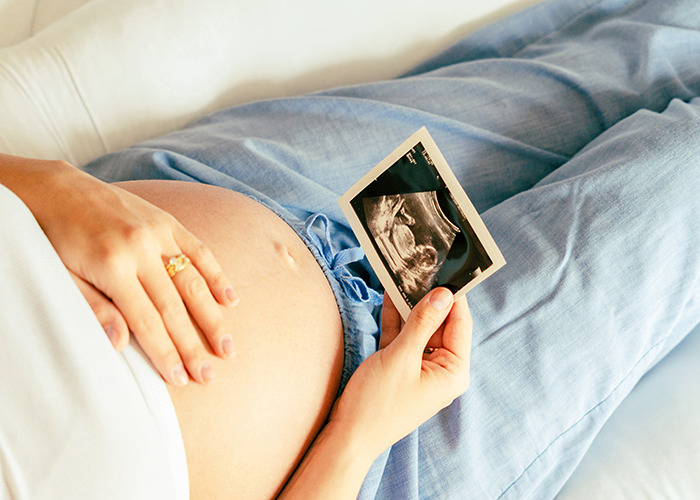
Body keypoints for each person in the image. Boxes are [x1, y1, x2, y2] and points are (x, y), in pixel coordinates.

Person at [1, 0, 700, 498]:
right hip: (386, 442)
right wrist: (357, 438)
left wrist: (49, 186)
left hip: (206, 190)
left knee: (629, 55)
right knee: (686, 165)